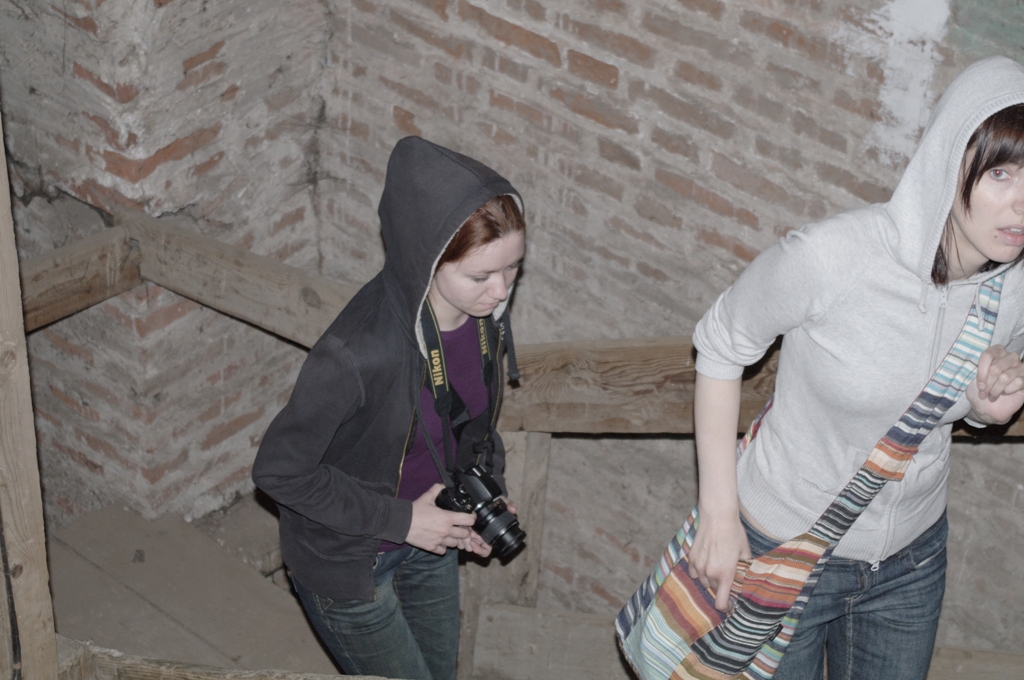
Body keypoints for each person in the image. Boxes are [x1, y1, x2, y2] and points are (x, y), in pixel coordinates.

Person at [688, 56, 1024, 680]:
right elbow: (720, 344)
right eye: (1000, 172)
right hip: (784, 547)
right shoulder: (833, 258)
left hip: (911, 564)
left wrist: (985, 408)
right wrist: (718, 515)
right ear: (949, 160)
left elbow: (958, 402)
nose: (1020, 205)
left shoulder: (1014, 290)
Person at [252, 136, 526, 680]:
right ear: (428, 260)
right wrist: (403, 521)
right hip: (352, 560)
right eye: (480, 276)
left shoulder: (483, 325)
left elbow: (467, 429)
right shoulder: (356, 354)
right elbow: (278, 472)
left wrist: (483, 493)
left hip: (432, 534)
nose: (500, 292)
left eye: (513, 268)